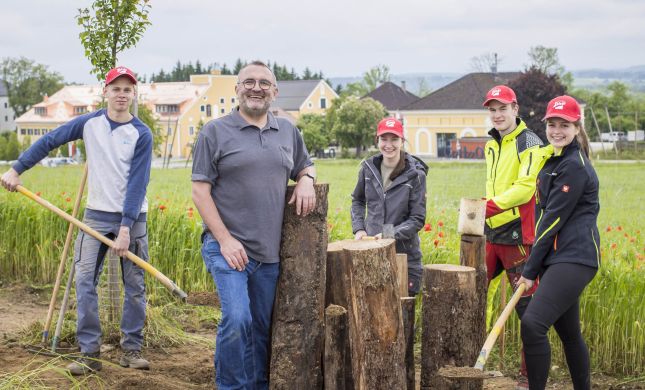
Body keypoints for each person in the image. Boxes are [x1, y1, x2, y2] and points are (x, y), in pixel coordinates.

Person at [0, 66, 153, 374]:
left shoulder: (141, 133)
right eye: (116, 88)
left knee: (135, 285)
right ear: (105, 92)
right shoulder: (89, 123)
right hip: (95, 216)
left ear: (133, 94)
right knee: (84, 281)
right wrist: (16, 170)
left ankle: (131, 349)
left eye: (127, 89)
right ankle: (90, 353)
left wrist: (125, 228)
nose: (121, 94)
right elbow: (49, 141)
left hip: (133, 219)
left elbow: (137, 183)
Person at [191, 60, 316, 390]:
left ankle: (258, 385)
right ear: (237, 89)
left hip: (268, 254)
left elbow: (306, 164)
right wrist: (225, 240)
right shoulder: (214, 132)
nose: (256, 88)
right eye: (249, 82)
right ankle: (230, 386)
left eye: (264, 83)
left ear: (274, 92)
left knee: (261, 327)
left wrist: (306, 179)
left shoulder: (287, 130)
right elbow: (199, 191)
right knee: (237, 319)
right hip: (226, 248)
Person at [517, 95, 599, 390]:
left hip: (575, 258)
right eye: (552, 124)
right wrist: (538, 265)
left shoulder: (574, 166)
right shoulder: (555, 160)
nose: (556, 130)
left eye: (564, 125)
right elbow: (542, 214)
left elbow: (551, 221)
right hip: (558, 258)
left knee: (533, 324)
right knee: (569, 333)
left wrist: (529, 270)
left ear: (577, 128)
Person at [482, 85, 546, 389]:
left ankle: (527, 376)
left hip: (518, 233)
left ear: (515, 109)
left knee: (527, 310)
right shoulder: (491, 143)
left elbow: (526, 187)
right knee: (469, 293)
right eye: (492, 109)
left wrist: (489, 207)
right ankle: (469, 364)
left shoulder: (529, 141)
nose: (497, 115)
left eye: (502, 108)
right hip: (491, 230)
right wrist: (485, 211)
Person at [350, 117, 428, 296]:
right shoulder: (368, 169)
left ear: (402, 140)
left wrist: (388, 234)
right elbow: (358, 201)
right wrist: (359, 229)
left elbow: (417, 219)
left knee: (403, 313)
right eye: (384, 139)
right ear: (377, 140)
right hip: (371, 253)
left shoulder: (415, 175)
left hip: (404, 256)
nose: (389, 144)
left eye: (394, 139)